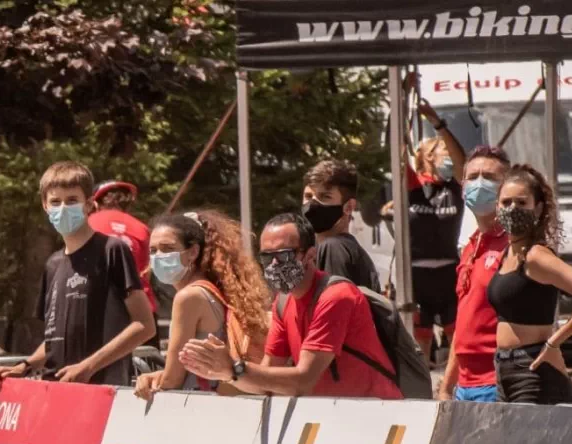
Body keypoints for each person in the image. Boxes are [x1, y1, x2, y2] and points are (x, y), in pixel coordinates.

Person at [180, 212, 401, 400]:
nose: (274, 264)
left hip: (376, 415)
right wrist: (225, 373)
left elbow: (303, 380)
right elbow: (267, 380)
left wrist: (234, 368)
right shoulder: (283, 303)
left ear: (310, 255)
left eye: (283, 255)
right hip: (337, 415)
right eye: (267, 257)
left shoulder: (335, 297)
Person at [0, 161, 155, 386]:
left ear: (89, 205)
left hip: (102, 388)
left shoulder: (111, 250)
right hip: (57, 389)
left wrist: (89, 366)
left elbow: (144, 325)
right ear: (45, 206)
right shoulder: (53, 264)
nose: (63, 208)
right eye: (55, 202)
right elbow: (54, 340)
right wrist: (24, 366)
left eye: (72, 200)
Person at [132, 211, 269, 400]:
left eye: (167, 248)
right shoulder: (213, 291)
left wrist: (153, 382)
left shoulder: (188, 297)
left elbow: (173, 380)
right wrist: (156, 376)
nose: (158, 257)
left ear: (193, 252)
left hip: (200, 404)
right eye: (153, 250)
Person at [486, 164, 572, 404]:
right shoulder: (507, 254)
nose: (513, 209)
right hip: (505, 368)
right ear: (497, 207)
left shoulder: (536, 256)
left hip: (533, 369)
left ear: (538, 208)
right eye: (506, 202)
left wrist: (557, 340)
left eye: (522, 203)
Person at [438, 145, 512, 403]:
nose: (480, 184)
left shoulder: (515, 245)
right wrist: (448, 386)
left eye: (490, 177)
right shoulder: (471, 246)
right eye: (473, 177)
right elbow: (464, 321)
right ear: (462, 186)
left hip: (498, 383)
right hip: (464, 388)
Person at [400, 89, 467, 359]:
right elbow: (395, 148)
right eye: (441, 152)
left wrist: (437, 123)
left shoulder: (455, 187)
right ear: (427, 157)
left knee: (459, 344)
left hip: (449, 274)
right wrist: (404, 99)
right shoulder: (413, 187)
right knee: (420, 348)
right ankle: (421, 395)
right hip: (417, 277)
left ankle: (456, 394)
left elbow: (462, 160)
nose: (447, 158)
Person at [301, 160, 381, 291]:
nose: (312, 204)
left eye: (325, 196)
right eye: (308, 197)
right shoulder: (344, 249)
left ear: (349, 207)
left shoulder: (334, 248)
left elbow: (336, 306)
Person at [88, 180, 157, 313]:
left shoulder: (87, 224)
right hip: (139, 308)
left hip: (98, 304)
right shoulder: (142, 228)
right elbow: (146, 271)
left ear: (96, 203)